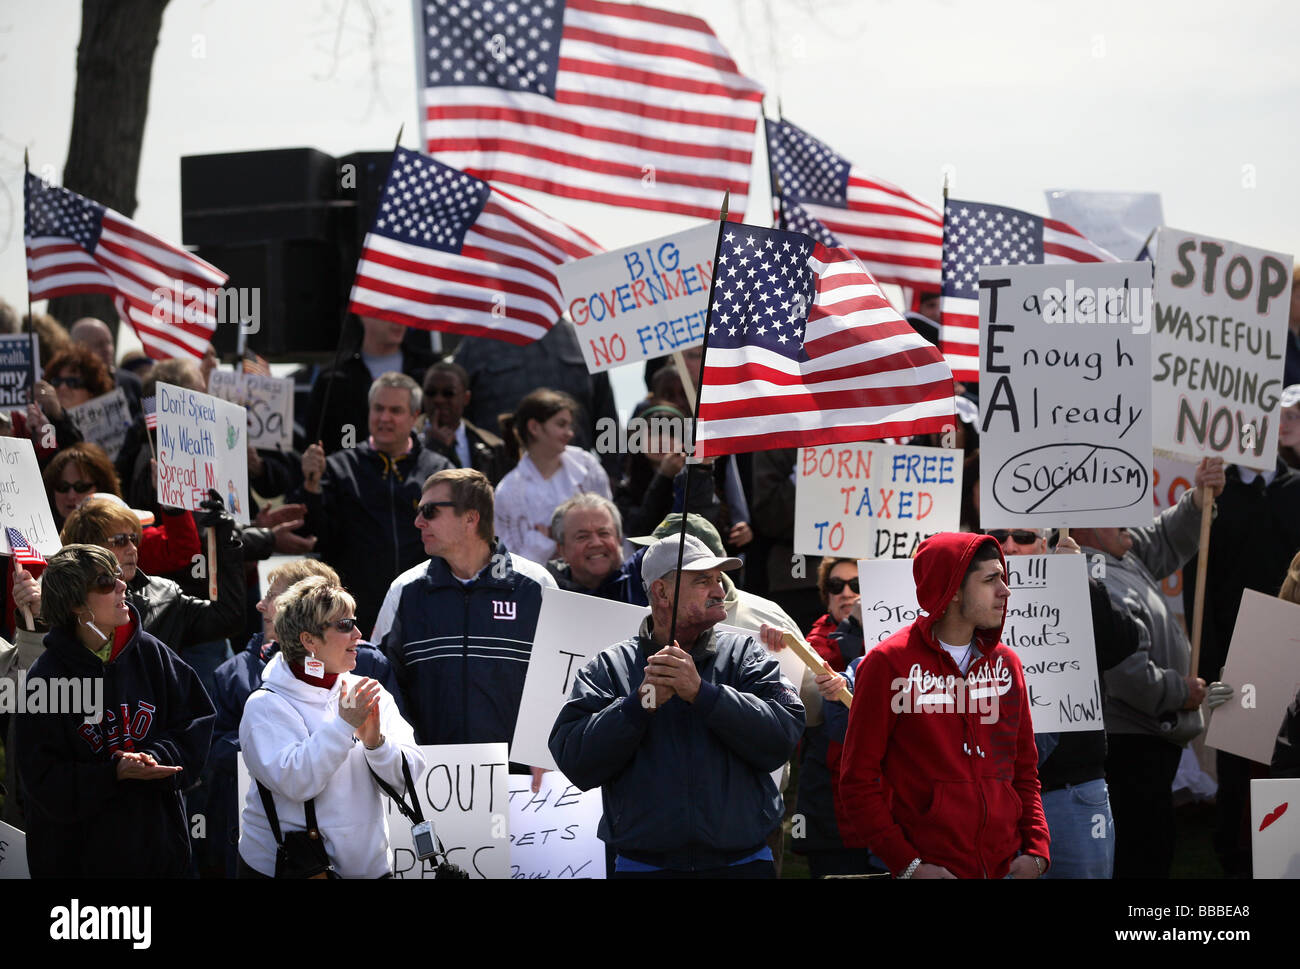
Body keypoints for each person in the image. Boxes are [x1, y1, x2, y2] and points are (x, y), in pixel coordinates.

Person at [550, 533, 804, 878]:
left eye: (718, 579)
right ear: (661, 592)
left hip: (743, 864)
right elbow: (575, 759)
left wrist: (705, 695)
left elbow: (783, 736)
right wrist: (638, 705)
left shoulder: (747, 655)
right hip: (644, 867)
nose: (718, 591)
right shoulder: (608, 666)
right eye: (702, 580)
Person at [838, 533, 1050, 879]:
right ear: (951, 590)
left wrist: (1037, 852)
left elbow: (1025, 771)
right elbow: (857, 783)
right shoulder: (887, 663)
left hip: (1007, 868)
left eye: (1004, 577)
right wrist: (910, 867)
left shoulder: (1007, 663)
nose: (1005, 591)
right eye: (990, 580)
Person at [15, 544, 214, 876]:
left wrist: (156, 757)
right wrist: (114, 772)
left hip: (159, 855)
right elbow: (43, 783)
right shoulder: (45, 680)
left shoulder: (151, 653)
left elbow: (196, 720)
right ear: (77, 605)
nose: (122, 584)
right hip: (81, 867)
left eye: (119, 576)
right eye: (106, 581)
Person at [1072, 456, 1224, 878]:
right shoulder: (1089, 576)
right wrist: (1179, 691)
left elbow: (1161, 538)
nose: (1131, 518)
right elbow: (1124, 672)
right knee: (1140, 853)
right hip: (1127, 748)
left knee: (1151, 846)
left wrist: (1197, 500)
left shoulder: (1116, 552)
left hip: (1148, 740)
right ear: (1083, 523)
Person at [208, 559, 403, 877]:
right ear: (308, 640)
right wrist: (343, 726)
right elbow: (296, 783)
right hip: (291, 868)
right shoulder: (264, 704)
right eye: (343, 625)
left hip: (372, 869)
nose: (357, 633)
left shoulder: (370, 688)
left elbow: (405, 779)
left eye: (353, 622)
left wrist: (376, 744)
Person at [373, 468, 555, 759]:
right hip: (429, 777)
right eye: (418, 511)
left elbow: (560, 681)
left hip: (522, 783)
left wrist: (543, 752)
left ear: (471, 518)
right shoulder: (404, 590)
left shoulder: (537, 585)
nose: (418, 522)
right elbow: (378, 680)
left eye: (430, 511)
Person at [298, 372, 452, 633]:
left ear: (415, 416)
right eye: (378, 409)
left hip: (424, 611)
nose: (384, 418)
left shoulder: (438, 471)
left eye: (395, 410)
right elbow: (316, 537)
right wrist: (311, 488)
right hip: (353, 618)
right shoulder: (338, 468)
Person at [14, 493, 245, 660]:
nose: (133, 548)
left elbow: (228, 618)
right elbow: (38, 680)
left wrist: (224, 540)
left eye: (134, 538)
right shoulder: (56, 597)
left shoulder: (164, 594)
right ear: (89, 547)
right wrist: (35, 618)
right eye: (120, 541)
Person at [494, 388, 610, 566]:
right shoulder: (508, 491)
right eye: (561, 425)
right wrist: (541, 542)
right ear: (534, 427)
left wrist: (558, 534)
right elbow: (509, 562)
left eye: (570, 426)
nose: (569, 433)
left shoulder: (587, 466)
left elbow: (609, 522)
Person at [306, 316, 436, 455]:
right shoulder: (333, 377)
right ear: (364, 314)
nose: (398, 320)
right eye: (388, 312)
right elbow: (315, 440)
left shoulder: (429, 371)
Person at [421, 361, 511, 486]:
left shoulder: (491, 446)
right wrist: (434, 448)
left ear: (466, 398)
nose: (438, 399)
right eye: (431, 393)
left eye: (448, 393)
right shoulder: (408, 442)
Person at [546, 493, 646, 604]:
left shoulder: (645, 580)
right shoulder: (544, 593)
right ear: (562, 550)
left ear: (619, 540)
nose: (596, 543)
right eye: (582, 537)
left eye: (604, 533)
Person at [68, 317, 143, 417]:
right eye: (99, 344)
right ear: (79, 348)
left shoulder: (132, 383)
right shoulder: (65, 386)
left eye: (109, 343)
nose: (107, 349)